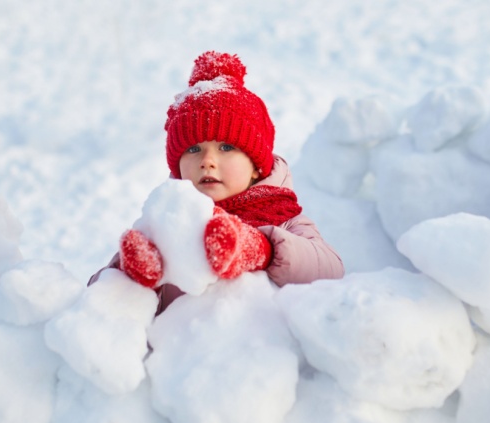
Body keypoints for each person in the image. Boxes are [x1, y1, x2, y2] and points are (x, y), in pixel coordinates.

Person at [89, 50, 344, 314]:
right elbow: (95, 298)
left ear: (256, 166)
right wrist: (131, 277)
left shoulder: (283, 220)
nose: (207, 161)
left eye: (225, 147)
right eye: (192, 149)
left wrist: (259, 249)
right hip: (179, 350)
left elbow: (331, 270)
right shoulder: (164, 224)